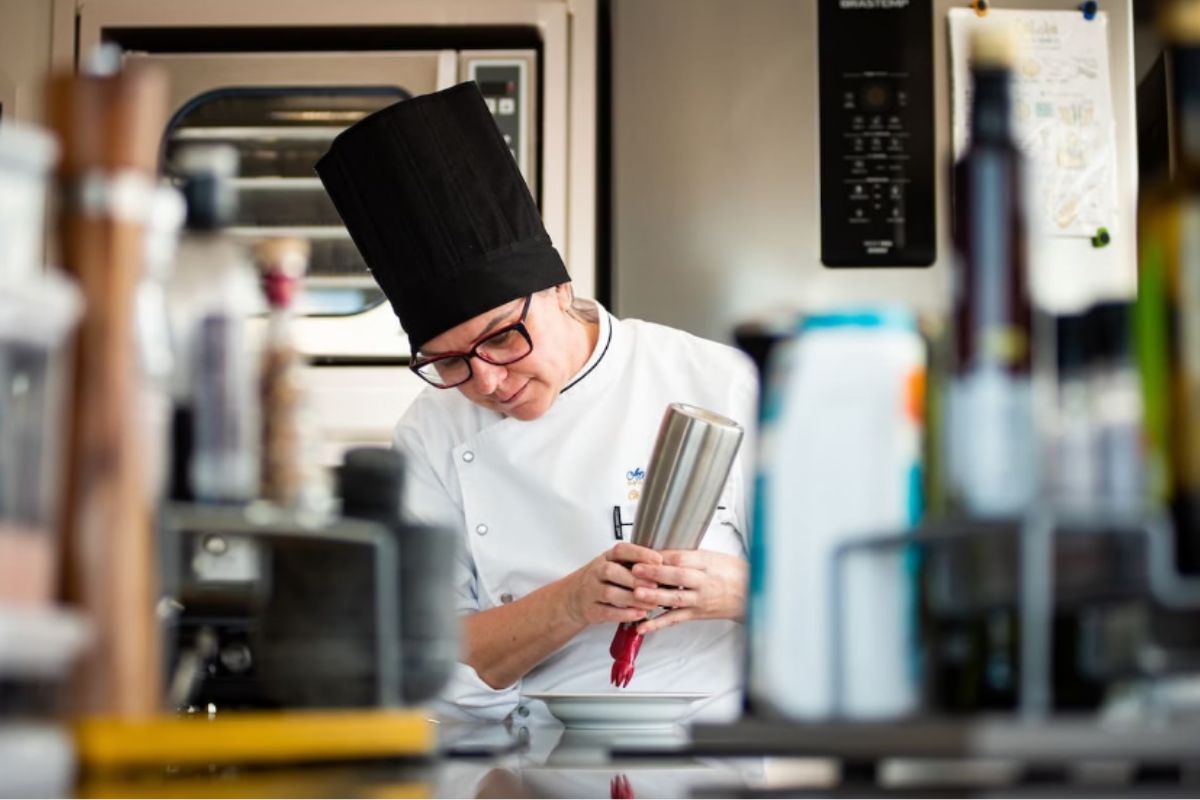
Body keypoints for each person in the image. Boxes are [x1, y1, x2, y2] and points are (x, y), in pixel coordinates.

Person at [317, 82, 756, 725]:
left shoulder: (717, 382)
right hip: (520, 763)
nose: (487, 382)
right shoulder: (431, 435)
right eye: (449, 362)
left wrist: (743, 591)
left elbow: (864, 601)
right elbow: (428, 656)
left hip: (710, 758)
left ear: (559, 289)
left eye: (501, 337)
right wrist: (574, 601)